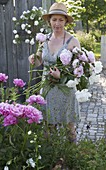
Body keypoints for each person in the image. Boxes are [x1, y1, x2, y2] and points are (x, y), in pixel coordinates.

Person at [28, 2, 81, 141]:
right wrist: (34, 59)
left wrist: (61, 75)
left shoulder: (72, 42)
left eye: (61, 19)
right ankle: (50, 157)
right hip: (48, 88)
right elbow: (40, 62)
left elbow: (78, 71)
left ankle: (71, 157)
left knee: (69, 127)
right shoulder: (44, 40)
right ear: (49, 21)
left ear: (66, 21)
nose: (57, 23)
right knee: (48, 127)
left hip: (65, 90)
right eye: (54, 19)